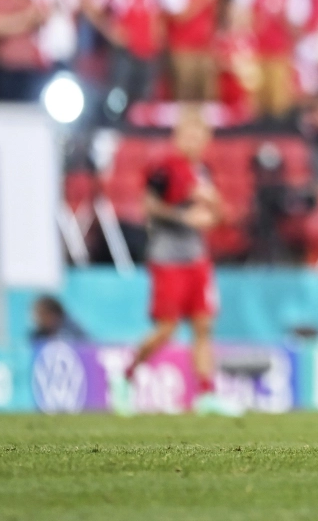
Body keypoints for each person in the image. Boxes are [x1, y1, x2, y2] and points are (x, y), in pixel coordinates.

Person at [116, 106, 240, 417]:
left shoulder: (204, 173)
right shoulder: (164, 169)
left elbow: (218, 217)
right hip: (168, 258)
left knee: (203, 326)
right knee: (167, 329)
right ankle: (125, 376)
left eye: (199, 135)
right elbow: (149, 207)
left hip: (196, 258)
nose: (194, 141)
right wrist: (185, 216)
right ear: (178, 137)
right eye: (188, 134)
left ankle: (206, 396)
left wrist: (214, 212)